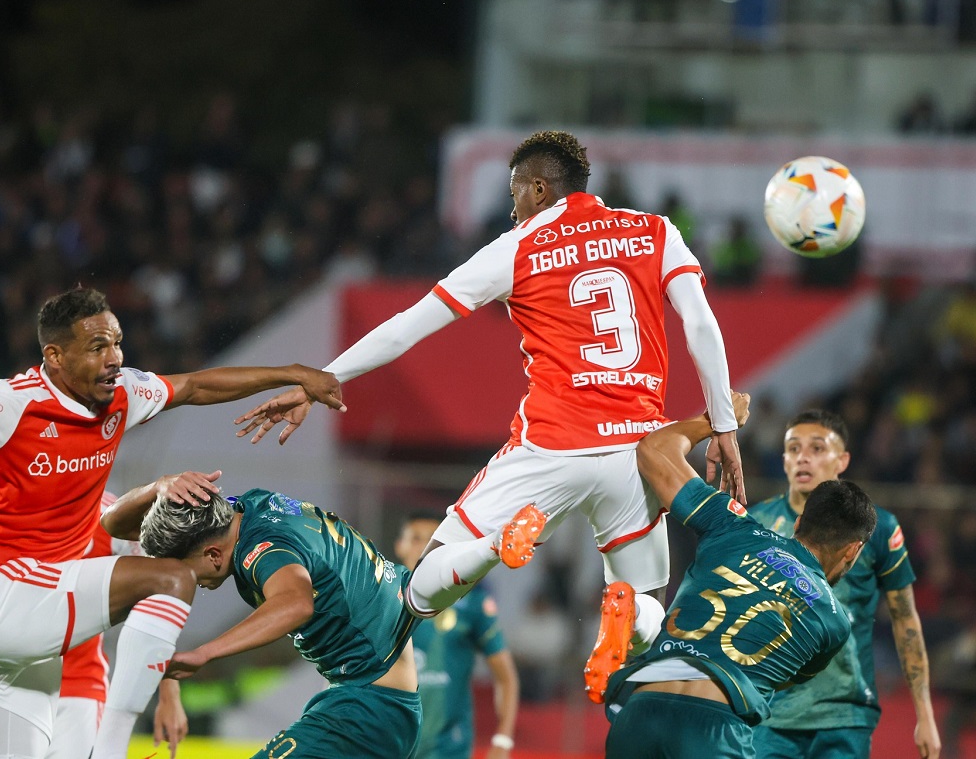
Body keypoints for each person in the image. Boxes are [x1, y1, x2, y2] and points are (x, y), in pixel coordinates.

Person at [236, 130, 743, 694]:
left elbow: (412, 323)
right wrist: (723, 424)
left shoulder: (518, 246)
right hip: (635, 455)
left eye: (516, 193)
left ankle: (494, 548)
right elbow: (700, 324)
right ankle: (627, 615)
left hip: (550, 447)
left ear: (539, 187)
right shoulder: (654, 229)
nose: (511, 207)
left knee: (422, 589)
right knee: (647, 613)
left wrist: (326, 378)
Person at [0, 286, 343, 759]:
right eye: (97, 347)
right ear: (55, 356)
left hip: (30, 650)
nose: (115, 358)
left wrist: (290, 374)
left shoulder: (122, 396)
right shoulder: (8, 405)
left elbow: (194, 386)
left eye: (118, 342)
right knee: (169, 578)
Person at [603, 392, 877, 759]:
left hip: (640, 709)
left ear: (798, 523)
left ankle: (638, 617)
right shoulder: (833, 622)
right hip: (715, 728)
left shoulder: (733, 525)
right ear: (853, 550)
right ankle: (638, 620)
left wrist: (718, 423)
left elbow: (654, 450)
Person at [129, 480, 422, 759]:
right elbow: (110, 524)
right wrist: (160, 486)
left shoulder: (261, 551)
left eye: (187, 571)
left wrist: (204, 653)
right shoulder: (248, 507)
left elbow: (296, 603)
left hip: (367, 709)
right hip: (374, 704)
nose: (188, 582)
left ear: (214, 554)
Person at [748, 410, 941, 759]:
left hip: (844, 716)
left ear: (843, 460)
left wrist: (924, 714)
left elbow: (905, 618)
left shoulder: (877, 528)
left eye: (817, 448)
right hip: (769, 715)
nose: (803, 457)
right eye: (793, 448)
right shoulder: (755, 524)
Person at [47, 493, 188, 759]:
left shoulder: (112, 517)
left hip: (77, 690)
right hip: (0, 680)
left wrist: (169, 690)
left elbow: (157, 593)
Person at [395, 511, 520, 759]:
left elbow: (505, 677)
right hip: (390, 746)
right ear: (400, 546)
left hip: (448, 749)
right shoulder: (382, 598)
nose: (424, 546)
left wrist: (503, 739)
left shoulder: (472, 602)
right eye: (416, 538)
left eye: (432, 538)